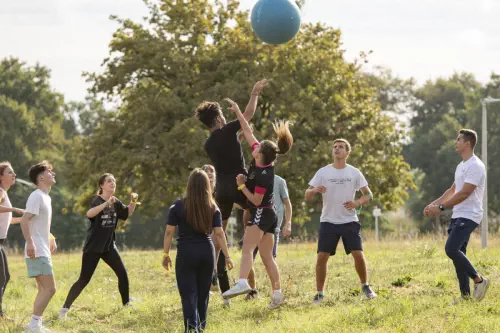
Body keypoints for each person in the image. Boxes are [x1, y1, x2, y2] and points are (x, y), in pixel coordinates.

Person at [195, 79, 267, 298]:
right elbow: (248, 114)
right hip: (240, 183)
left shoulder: (207, 144)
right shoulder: (228, 130)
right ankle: (252, 281)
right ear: (218, 118)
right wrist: (254, 92)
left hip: (222, 189)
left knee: (219, 231)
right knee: (257, 216)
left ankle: (214, 271)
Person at [221, 98, 293, 309]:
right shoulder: (261, 157)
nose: (253, 145)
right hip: (270, 216)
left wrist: (242, 186)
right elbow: (247, 130)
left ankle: (243, 282)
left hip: (262, 212)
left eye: (256, 147)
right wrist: (237, 112)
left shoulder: (264, 175)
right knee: (266, 257)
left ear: (260, 154)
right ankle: (277, 295)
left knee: (247, 248)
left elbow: (256, 200)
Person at [305, 139, 377, 304]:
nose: (337, 149)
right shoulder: (323, 172)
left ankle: (365, 286)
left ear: (347, 153)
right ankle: (319, 293)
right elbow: (307, 195)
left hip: (349, 220)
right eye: (334, 147)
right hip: (328, 221)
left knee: (358, 254)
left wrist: (357, 203)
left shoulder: (354, 172)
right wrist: (315, 190)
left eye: (341, 147)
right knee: (322, 257)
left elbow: (369, 195)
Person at [59, 173, 138, 319]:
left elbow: (127, 212)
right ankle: (64, 309)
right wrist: (105, 204)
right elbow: (89, 214)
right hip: (93, 248)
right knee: (84, 279)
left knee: (123, 273)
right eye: (109, 181)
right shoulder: (97, 201)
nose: (112, 183)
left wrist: (133, 201)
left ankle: (126, 303)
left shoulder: (116, 202)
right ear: (102, 185)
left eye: (114, 181)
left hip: (108, 247)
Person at [163, 168, 233, 332]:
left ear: (189, 185)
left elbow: (168, 232)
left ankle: (191, 328)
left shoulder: (177, 205)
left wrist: (166, 254)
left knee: (188, 293)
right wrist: (227, 256)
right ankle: (201, 327)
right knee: (203, 294)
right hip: (206, 251)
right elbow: (219, 233)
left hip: (186, 251)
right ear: (207, 186)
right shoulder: (212, 206)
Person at [424, 129, 490, 303]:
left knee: (451, 249)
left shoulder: (476, 165)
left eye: (458, 139)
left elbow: (464, 194)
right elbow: (453, 190)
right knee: (459, 253)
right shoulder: (462, 165)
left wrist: (441, 207)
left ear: (467, 143)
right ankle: (466, 297)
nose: (456, 142)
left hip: (470, 215)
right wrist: (434, 204)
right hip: (458, 214)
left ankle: (479, 280)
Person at [20, 161, 58, 332]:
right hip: (36, 249)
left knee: (44, 288)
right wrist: (30, 242)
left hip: (41, 248)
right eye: (50, 171)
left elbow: (39, 223)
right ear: (41, 177)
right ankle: (34, 324)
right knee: (50, 289)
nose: (53, 174)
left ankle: (36, 324)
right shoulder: (36, 196)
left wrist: (51, 237)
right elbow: (24, 219)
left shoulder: (46, 197)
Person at [246, 174, 292, 300]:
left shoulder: (279, 181)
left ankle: (277, 293)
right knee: (248, 258)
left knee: (269, 260)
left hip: (271, 227)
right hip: (255, 225)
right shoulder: (253, 180)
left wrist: (288, 223)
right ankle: (253, 291)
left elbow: (287, 204)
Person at [0, 162, 24, 317]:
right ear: (1, 177)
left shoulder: (4, 193)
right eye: (10, 172)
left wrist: (25, 218)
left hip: (1, 242)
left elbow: (7, 220)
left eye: (13, 172)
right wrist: (14, 209)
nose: (14, 175)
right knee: (1, 277)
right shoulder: (0, 192)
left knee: (5, 277)